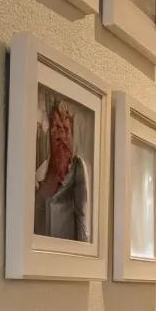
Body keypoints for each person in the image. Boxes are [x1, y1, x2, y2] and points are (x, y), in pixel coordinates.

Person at [35, 96, 90, 240]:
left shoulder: (77, 168)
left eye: (66, 129)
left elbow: (83, 217)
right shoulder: (40, 172)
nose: (61, 135)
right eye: (56, 128)